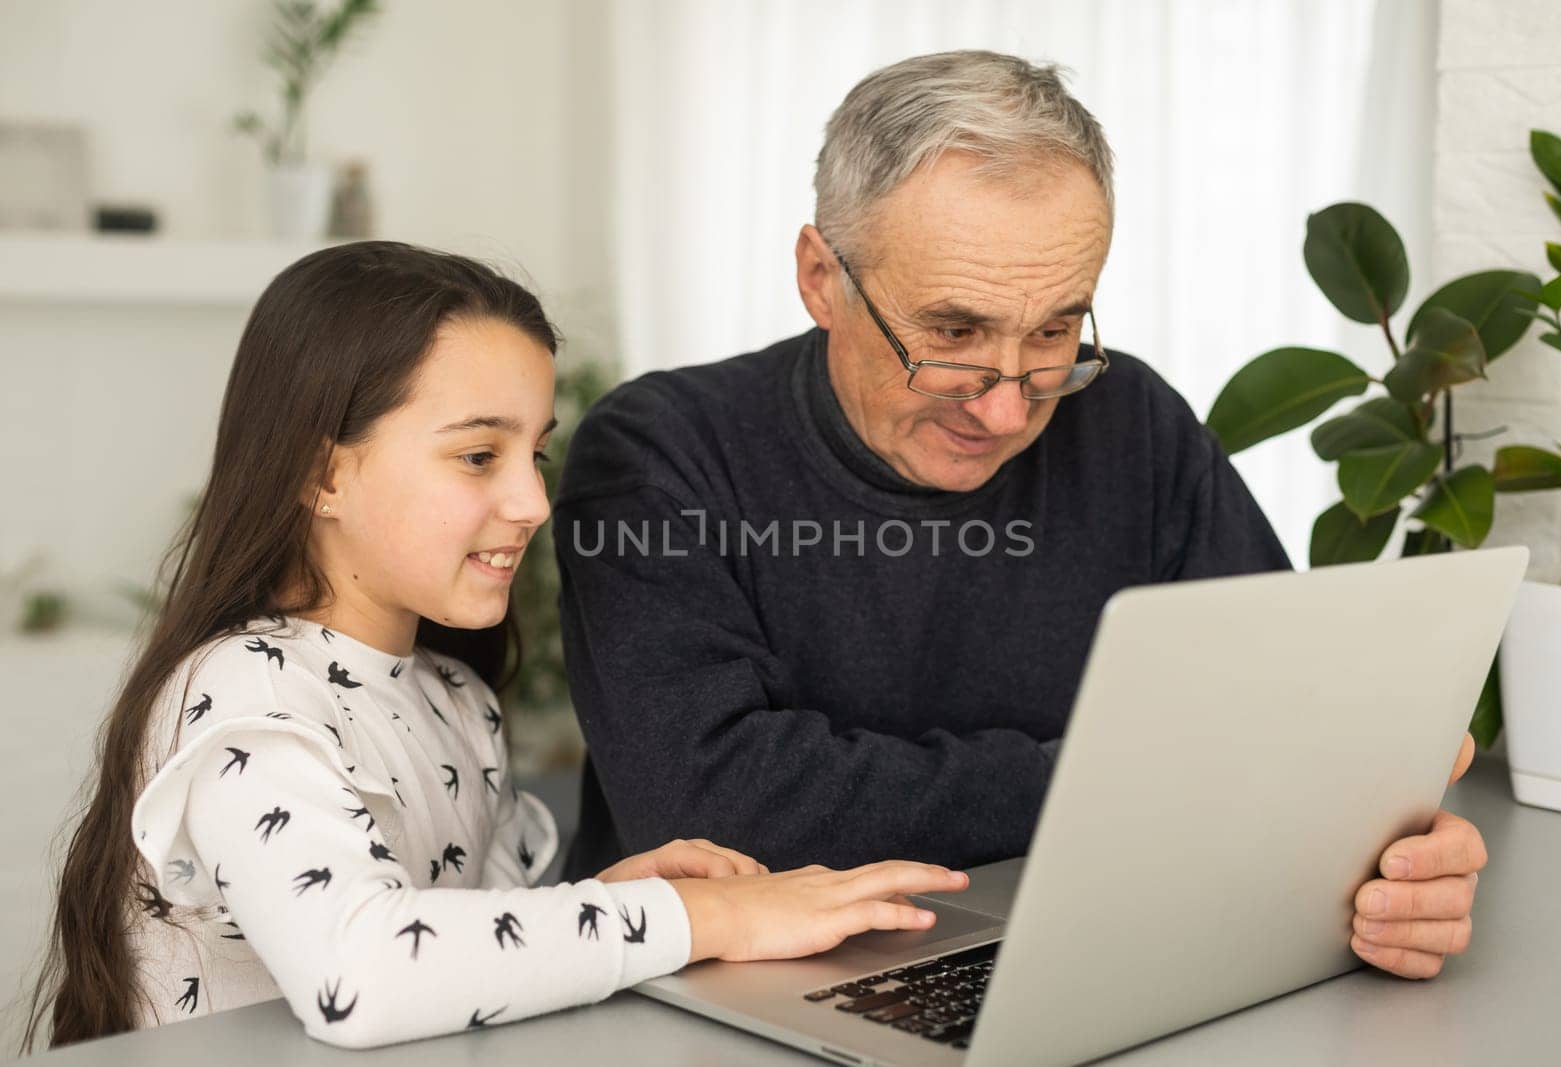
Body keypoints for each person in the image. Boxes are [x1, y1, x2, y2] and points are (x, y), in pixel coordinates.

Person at [553, 50, 1486, 982]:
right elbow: (710, 804)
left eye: (1052, 334)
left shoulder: (1133, 422)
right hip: (729, 992)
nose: (1005, 410)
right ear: (819, 278)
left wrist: (1395, 868)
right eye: (954, 335)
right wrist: (1130, 778)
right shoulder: (657, 453)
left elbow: (1283, 731)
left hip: (1089, 953)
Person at [20, 242, 968, 1053]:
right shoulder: (240, 697)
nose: (532, 503)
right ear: (323, 475)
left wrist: (607, 895)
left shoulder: (451, 697)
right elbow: (365, 971)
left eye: (535, 454)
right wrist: (703, 918)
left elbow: (466, 952)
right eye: (479, 456)